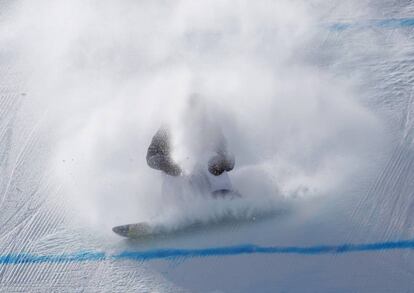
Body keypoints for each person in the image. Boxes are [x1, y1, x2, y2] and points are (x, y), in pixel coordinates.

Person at [146, 95, 236, 197]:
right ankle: (179, 207)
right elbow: (151, 157)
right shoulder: (167, 129)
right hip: (179, 184)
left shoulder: (212, 129)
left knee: (211, 160)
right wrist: (167, 164)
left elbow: (229, 157)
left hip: (209, 181)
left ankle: (226, 199)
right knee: (177, 169)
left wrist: (222, 162)